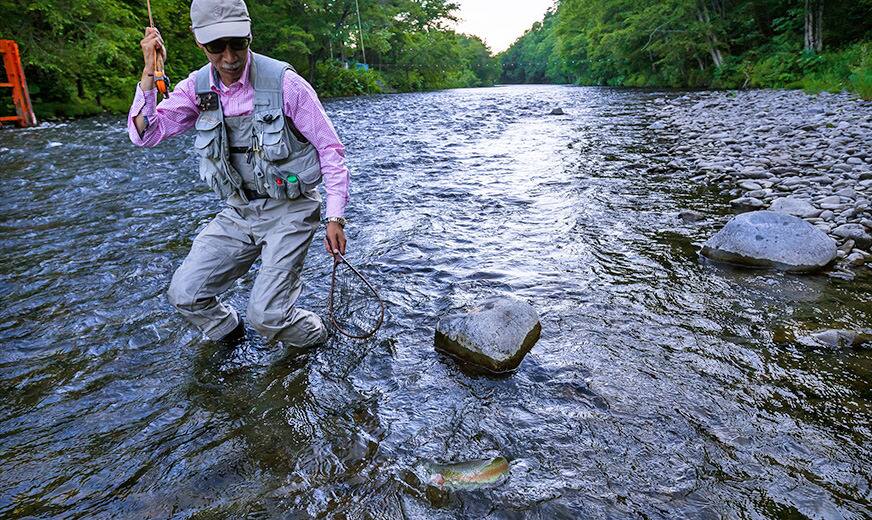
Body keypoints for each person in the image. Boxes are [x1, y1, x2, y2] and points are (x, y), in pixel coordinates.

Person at [128, 0, 349, 348]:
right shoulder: (196, 89)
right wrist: (150, 72)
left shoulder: (287, 84)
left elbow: (330, 151)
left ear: (250, 35)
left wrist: (335, 217)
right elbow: (146, 134)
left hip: (292, 209)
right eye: (217, 47)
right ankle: (230, 335)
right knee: (185, 294)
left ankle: (315, 338)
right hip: (239, 211)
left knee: (268, 316)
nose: (229, 57)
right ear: (199, 42)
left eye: (238, 43)